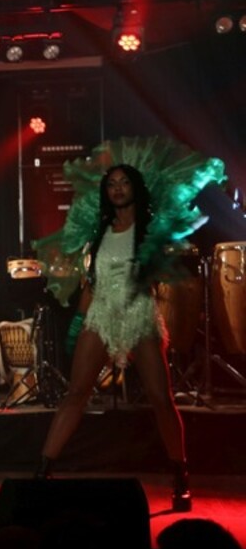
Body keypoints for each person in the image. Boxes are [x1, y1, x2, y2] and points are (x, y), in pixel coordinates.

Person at [35, 165, 194, 509]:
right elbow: (91, 285)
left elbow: (167, 271)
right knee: (76, 393)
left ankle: (180, 475)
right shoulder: (100, 233)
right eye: (111, 184)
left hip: (138, 313)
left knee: (161, 398)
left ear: (135, 188)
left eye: (124, 183)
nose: (118, 188)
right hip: (102, 313)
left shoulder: (150, 230)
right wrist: (78, 325)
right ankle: (43, 472)